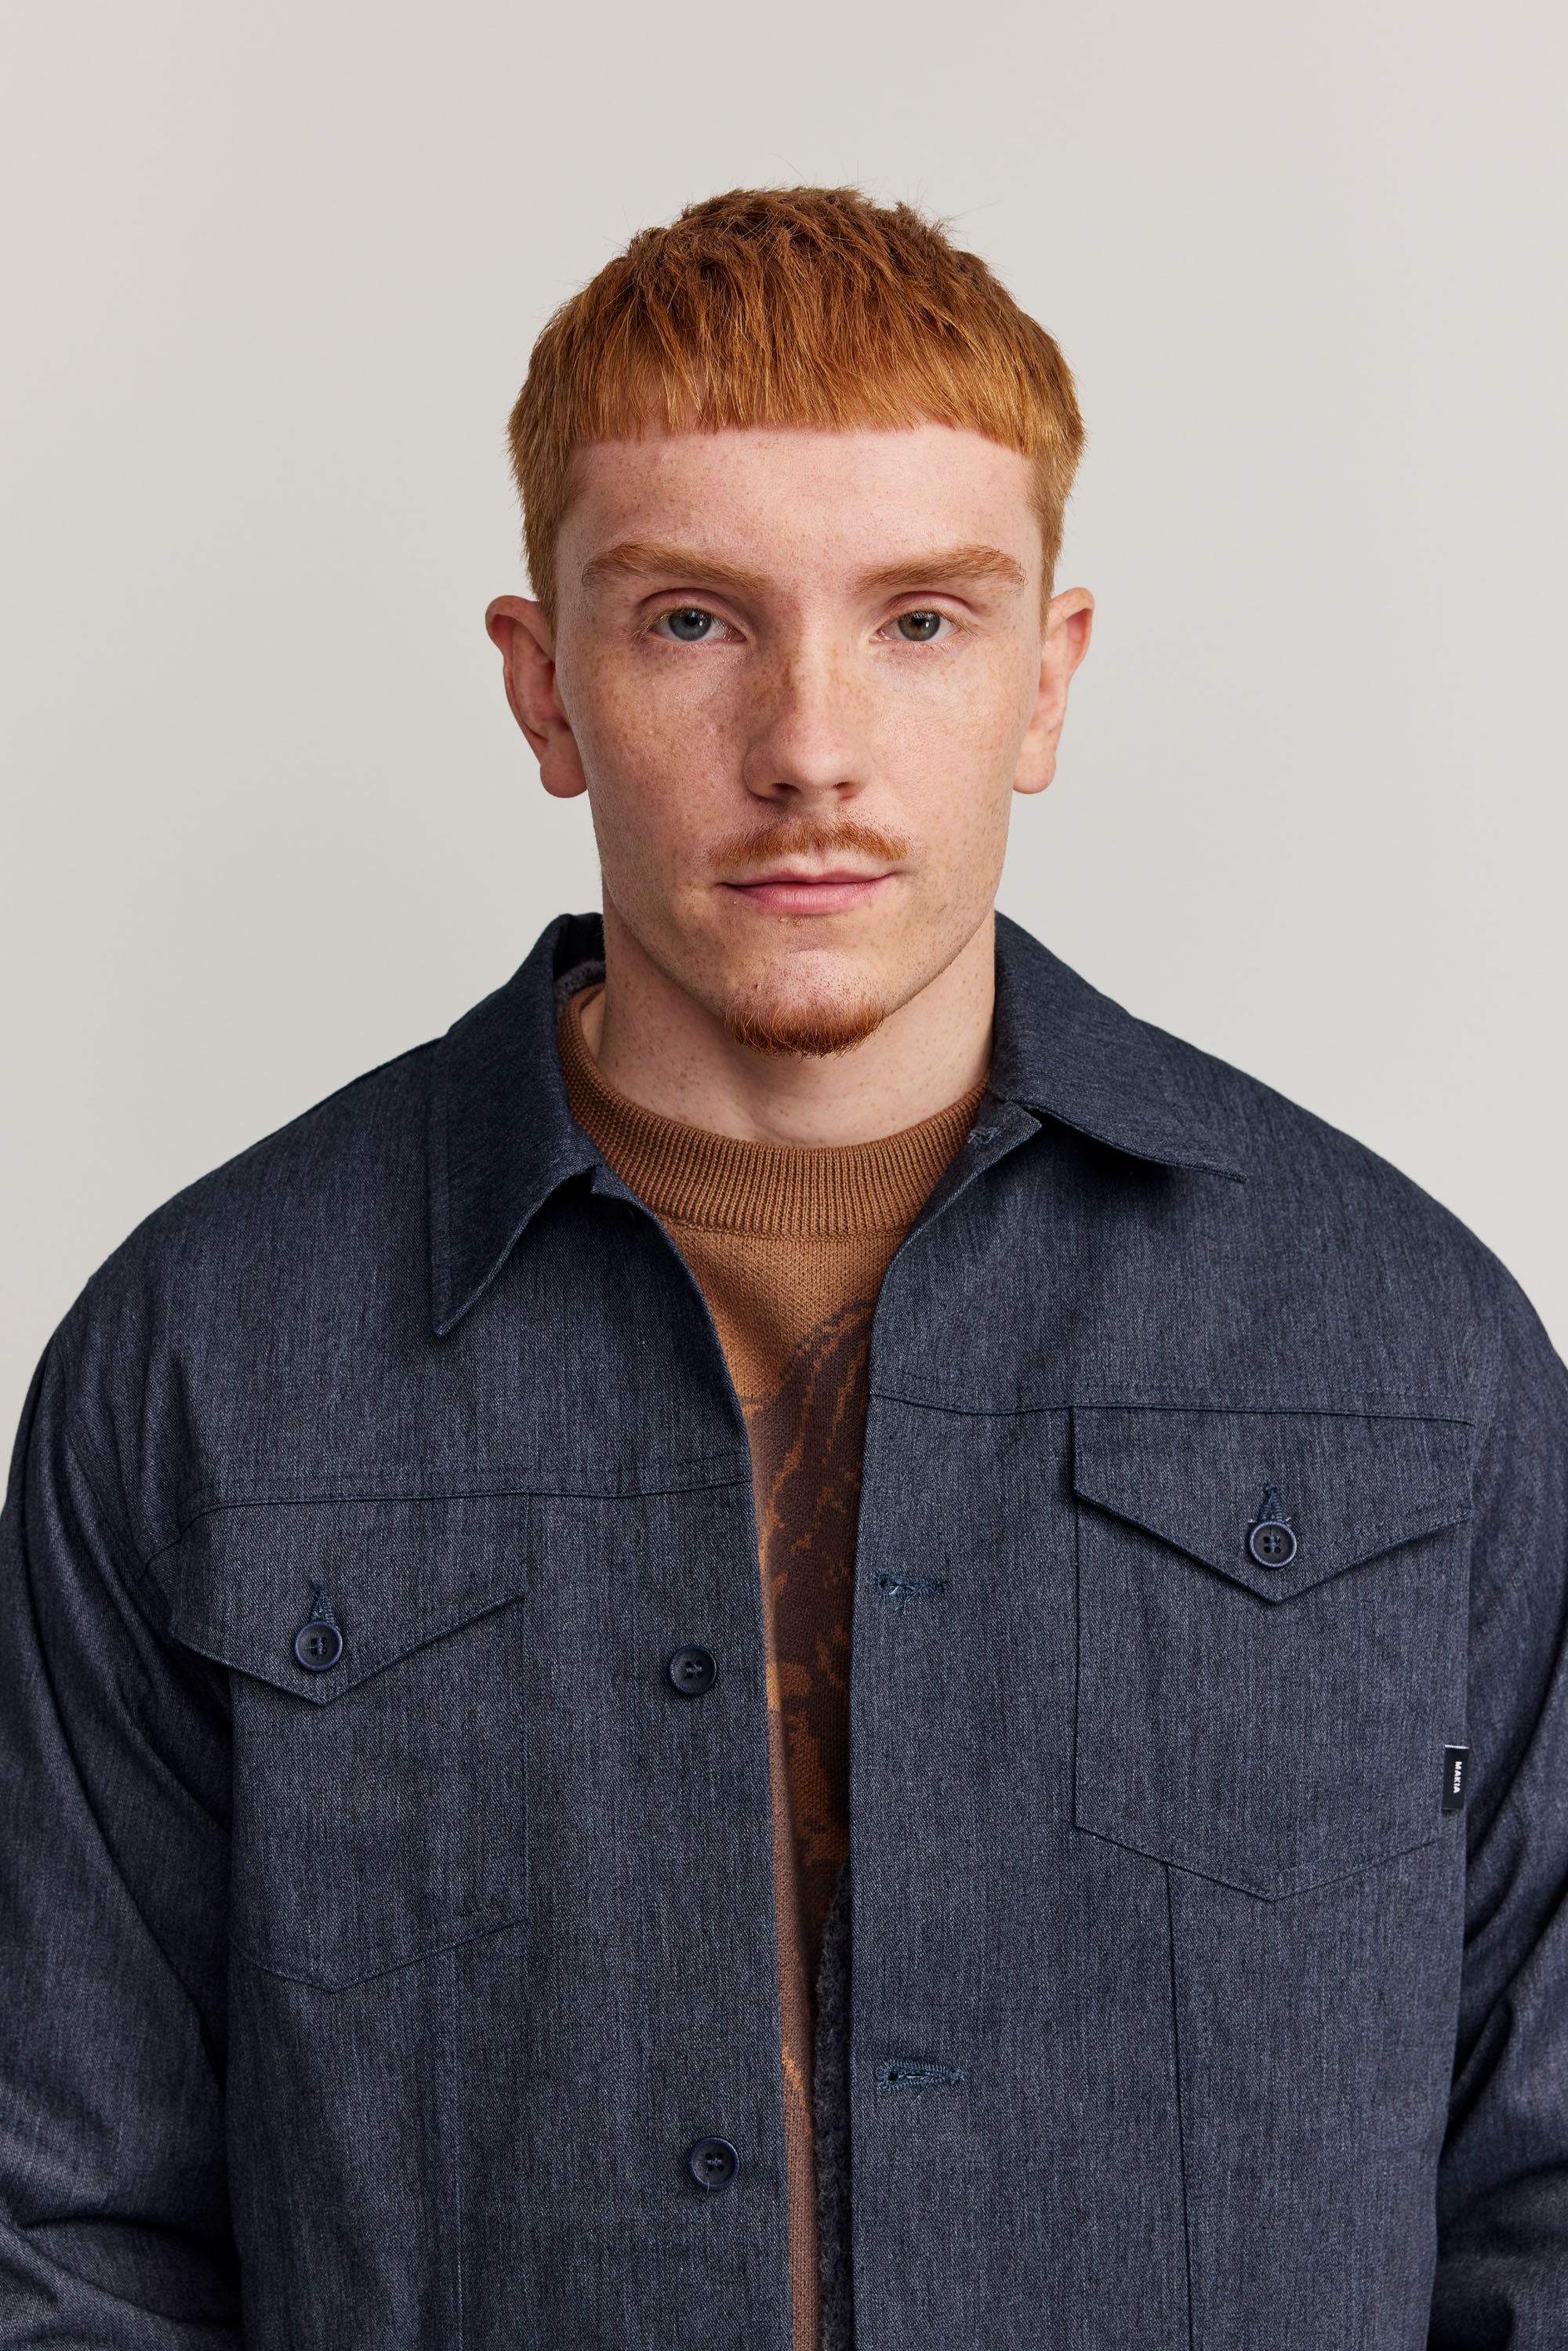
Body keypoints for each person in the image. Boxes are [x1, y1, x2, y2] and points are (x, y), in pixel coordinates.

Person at [1, 185, 1563, 2351]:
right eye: (691, 621)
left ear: (1046, 681)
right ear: (544, 688)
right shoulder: (199, 1363)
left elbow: (1542, 2197)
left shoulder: (1410, 1349)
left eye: (920, 619)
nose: (811, 747)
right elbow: (66, 2241)